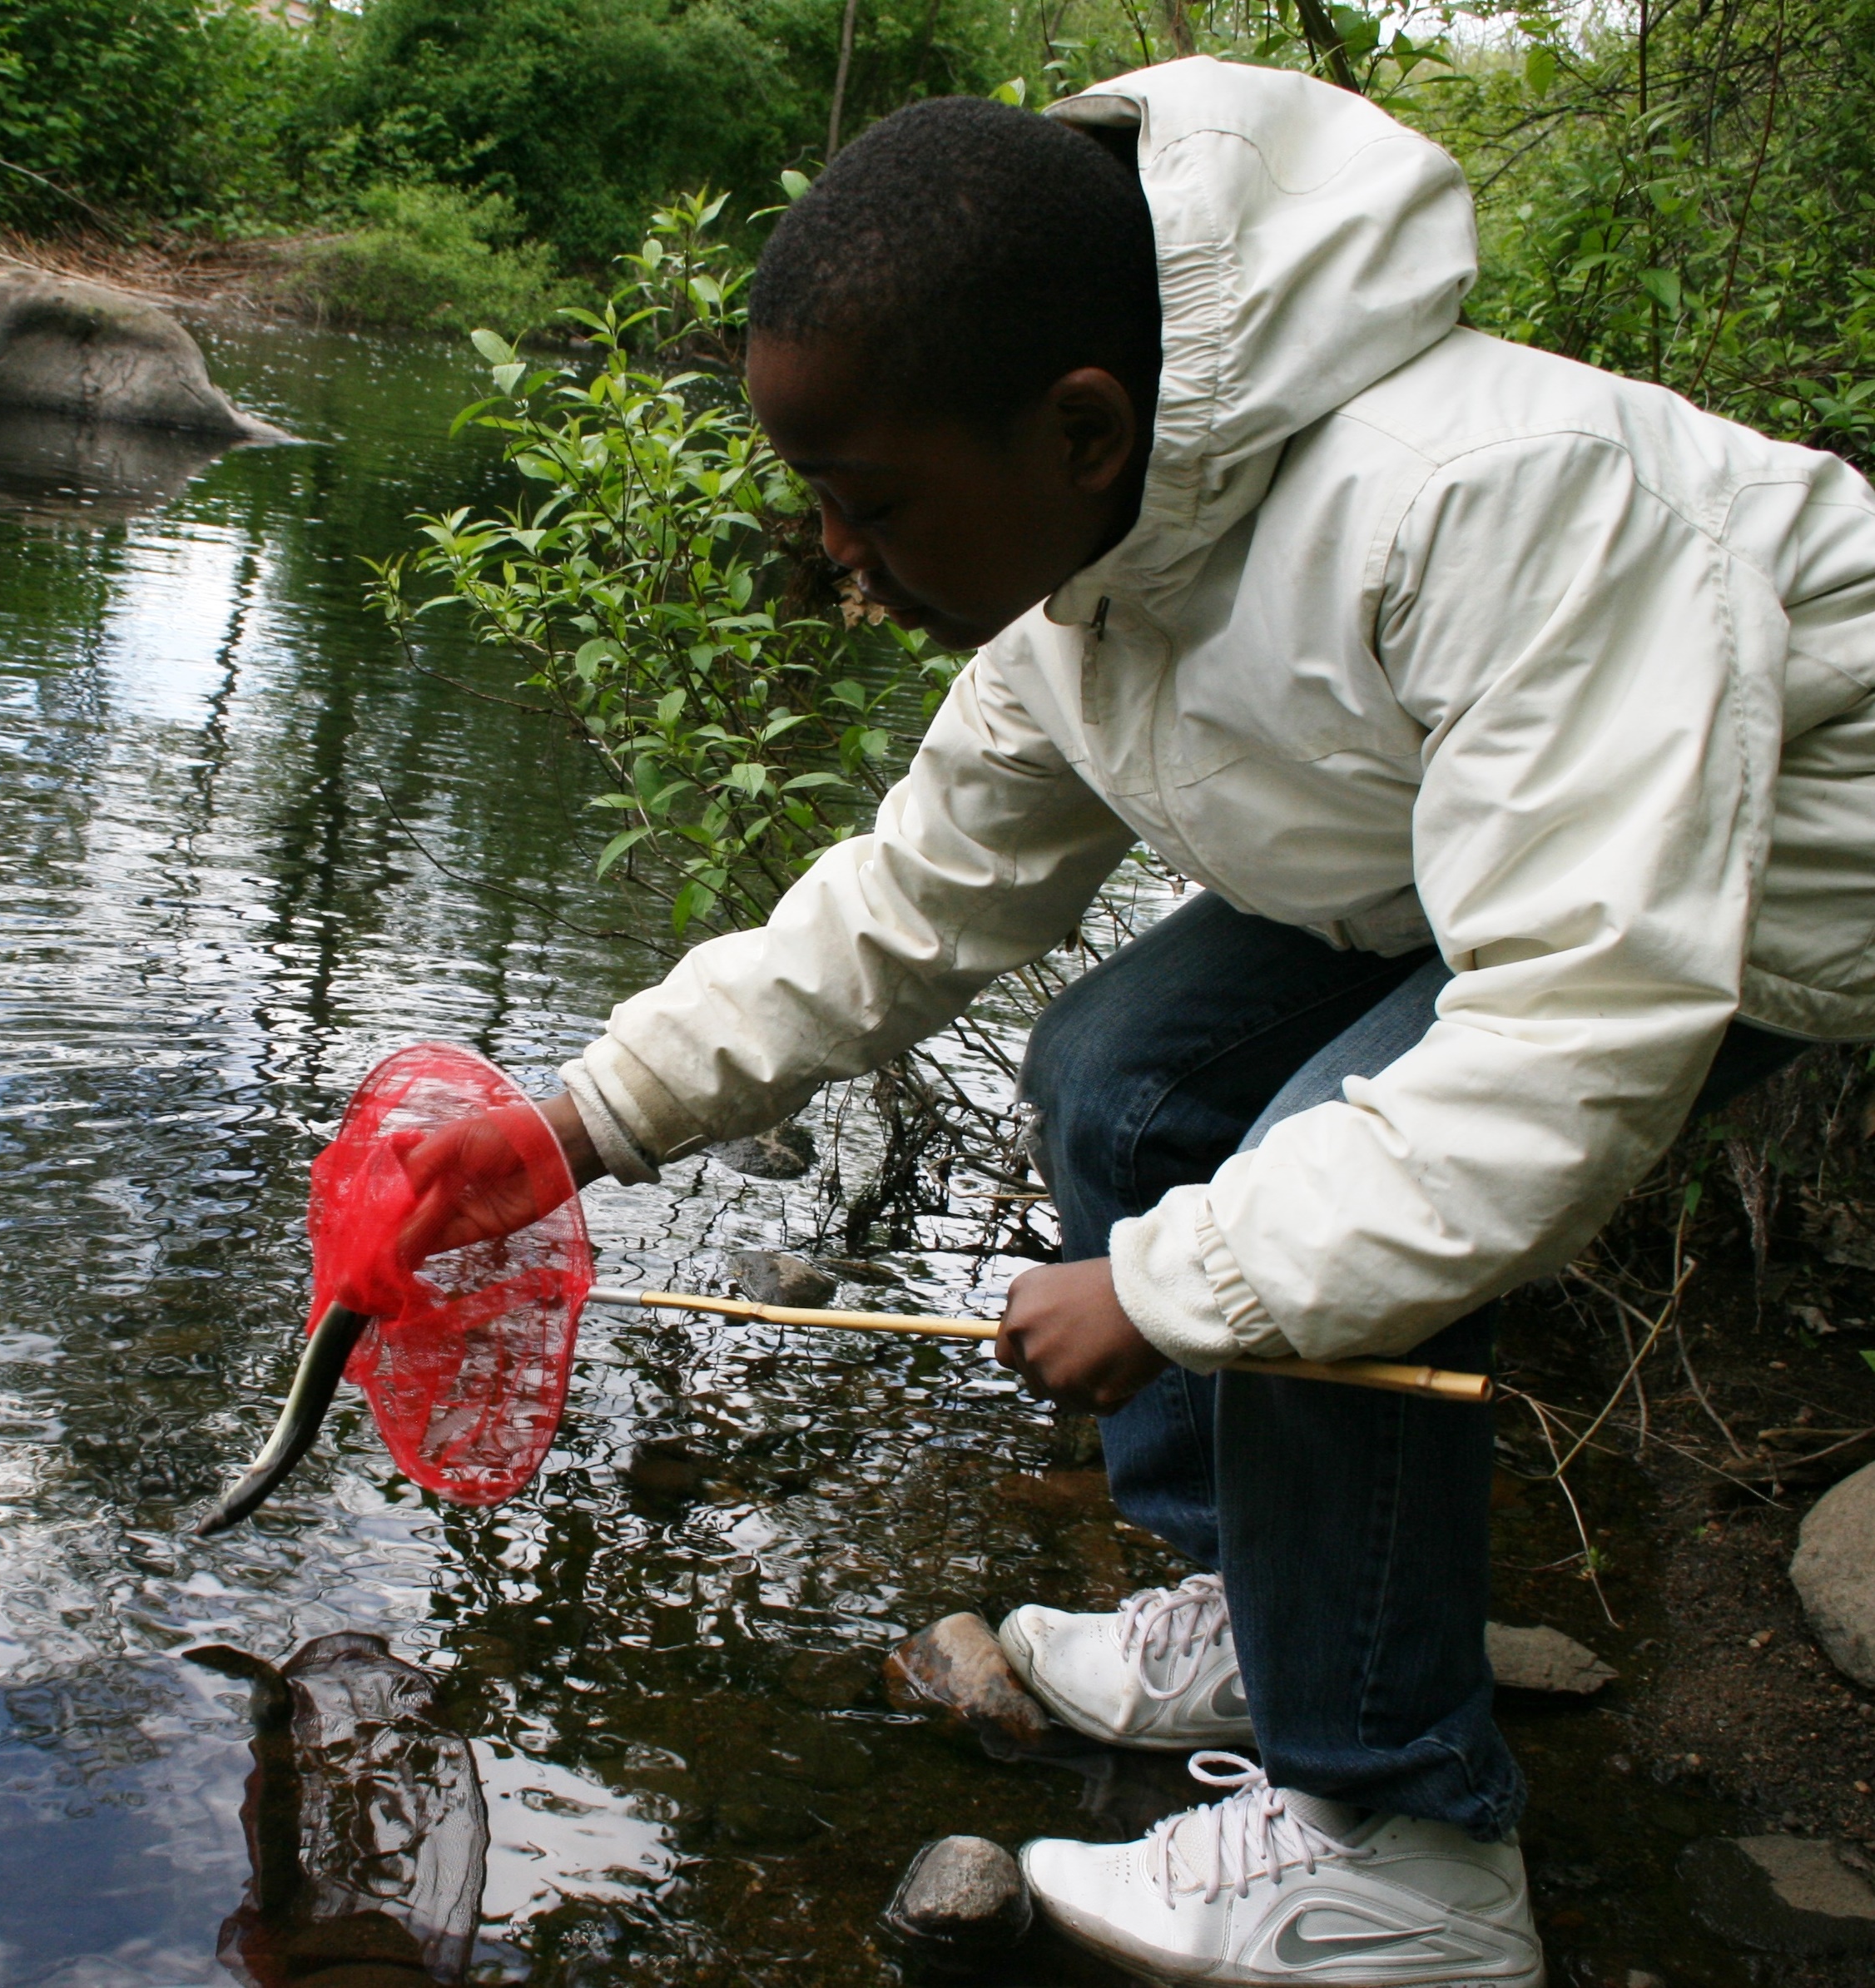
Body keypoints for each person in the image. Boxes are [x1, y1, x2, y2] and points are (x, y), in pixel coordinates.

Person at [403, 57, 1875, 1987]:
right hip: (1486, 851)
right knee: (1122, 1069)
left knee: (1323, 1193)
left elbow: (1563, 1042)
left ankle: (1406, 1845)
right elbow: (908, 903)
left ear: (1082, 428)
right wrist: (578, 1119)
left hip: (1763, 885)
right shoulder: (1082, 592)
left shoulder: (1499, 499)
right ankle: (1276, 1614)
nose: (836, 563)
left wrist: (1177, 1285)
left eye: (866, 506)